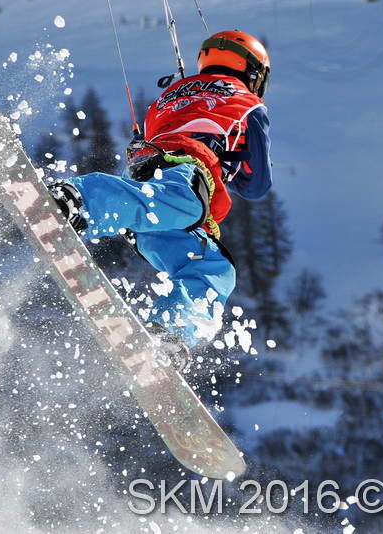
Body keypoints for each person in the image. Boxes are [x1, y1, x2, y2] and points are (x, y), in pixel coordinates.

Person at [49, 30, 272, 370]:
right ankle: (80, 199)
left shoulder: (169, 95)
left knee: (213, 268)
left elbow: (159, 130)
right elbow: (256, 185)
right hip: (184, 172)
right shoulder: (248, 102)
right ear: (254, 72)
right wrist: (234, 166)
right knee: (181, 204)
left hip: (148, 173)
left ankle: (169, 335)